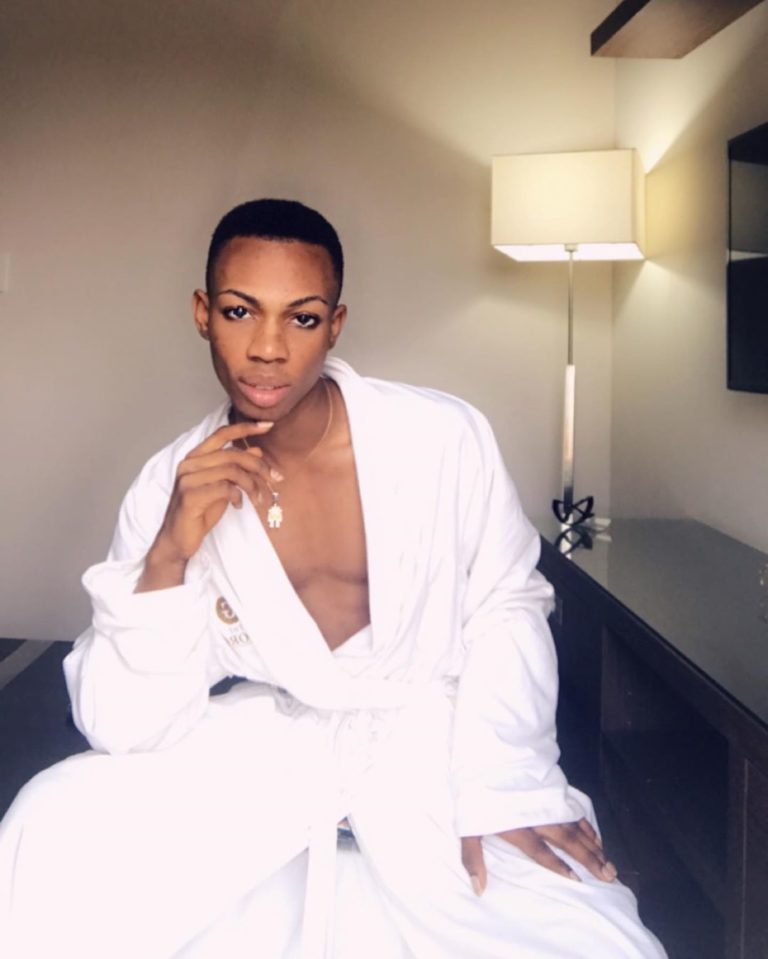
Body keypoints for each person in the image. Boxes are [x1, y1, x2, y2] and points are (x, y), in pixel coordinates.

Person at [0, 200, 666, 958]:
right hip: (275, 740)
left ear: (336, 325)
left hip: (437, 738)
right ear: (203, 314)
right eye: (240, 311)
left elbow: (506, 604)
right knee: (46, 830)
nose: (268, 348)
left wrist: (508, 780)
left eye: (303, 318)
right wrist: (168, 555)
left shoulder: (440, 437)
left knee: (581, 937)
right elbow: (124, 726)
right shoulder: (170, 484)